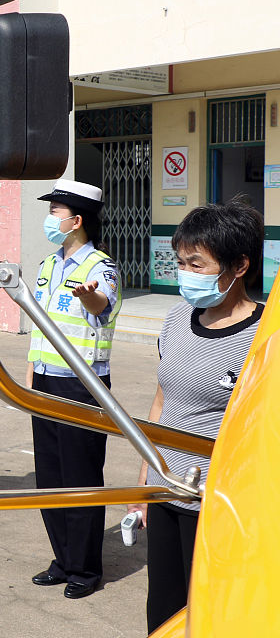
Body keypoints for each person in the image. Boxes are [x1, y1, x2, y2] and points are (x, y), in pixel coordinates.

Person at [127, 200, 264, 632]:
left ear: (239, 266)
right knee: (163, 611)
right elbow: (162, 403)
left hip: (219, 504)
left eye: (197, 264)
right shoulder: (176, 319)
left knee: (210, 615)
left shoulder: (265, 337)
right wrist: (145, 481)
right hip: (166, 491)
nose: (185, 273)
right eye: (181, 262)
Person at [25, 179, 122, 600]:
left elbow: (103, 305)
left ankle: (84, 568)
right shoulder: (48, 265)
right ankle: (63, 559)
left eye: (55, 212)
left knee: (81, 476)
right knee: (50, 477)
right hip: (46, 380)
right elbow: (40, 325)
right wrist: (31, 373)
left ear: (77, 220)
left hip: (83, 385)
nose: (50, 219)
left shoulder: (101, 268)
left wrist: (89, 298)